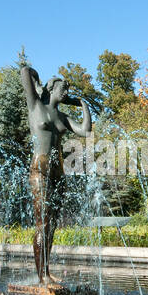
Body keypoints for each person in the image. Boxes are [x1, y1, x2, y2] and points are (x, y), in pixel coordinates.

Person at [19, 64, 92, 283]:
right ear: (52, 88)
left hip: (58, 172)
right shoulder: (35, 106)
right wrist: (38, 80)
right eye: (63, 88)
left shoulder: (62, 117)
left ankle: (46, 271)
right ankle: (42, 276)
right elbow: (24, 71)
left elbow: (85, 131)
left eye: (68, 90)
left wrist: (83, 104)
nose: (66, 92)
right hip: (39, 169)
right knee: (43, 223)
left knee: (52, 226)